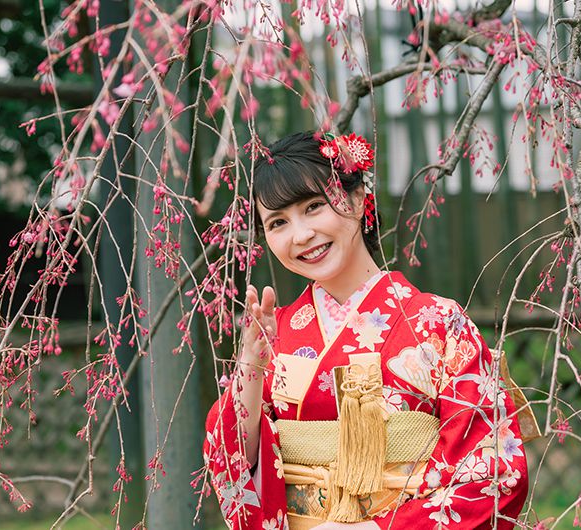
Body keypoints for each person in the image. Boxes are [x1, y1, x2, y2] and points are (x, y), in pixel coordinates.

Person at [203, 131, 530, 530]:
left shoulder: (440, 323)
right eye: (278, 222)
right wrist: (251, 369)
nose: (301, 235)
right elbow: (233, 459)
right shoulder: (278, 334)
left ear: (357, 200)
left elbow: (492, 470)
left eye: (313, 207)